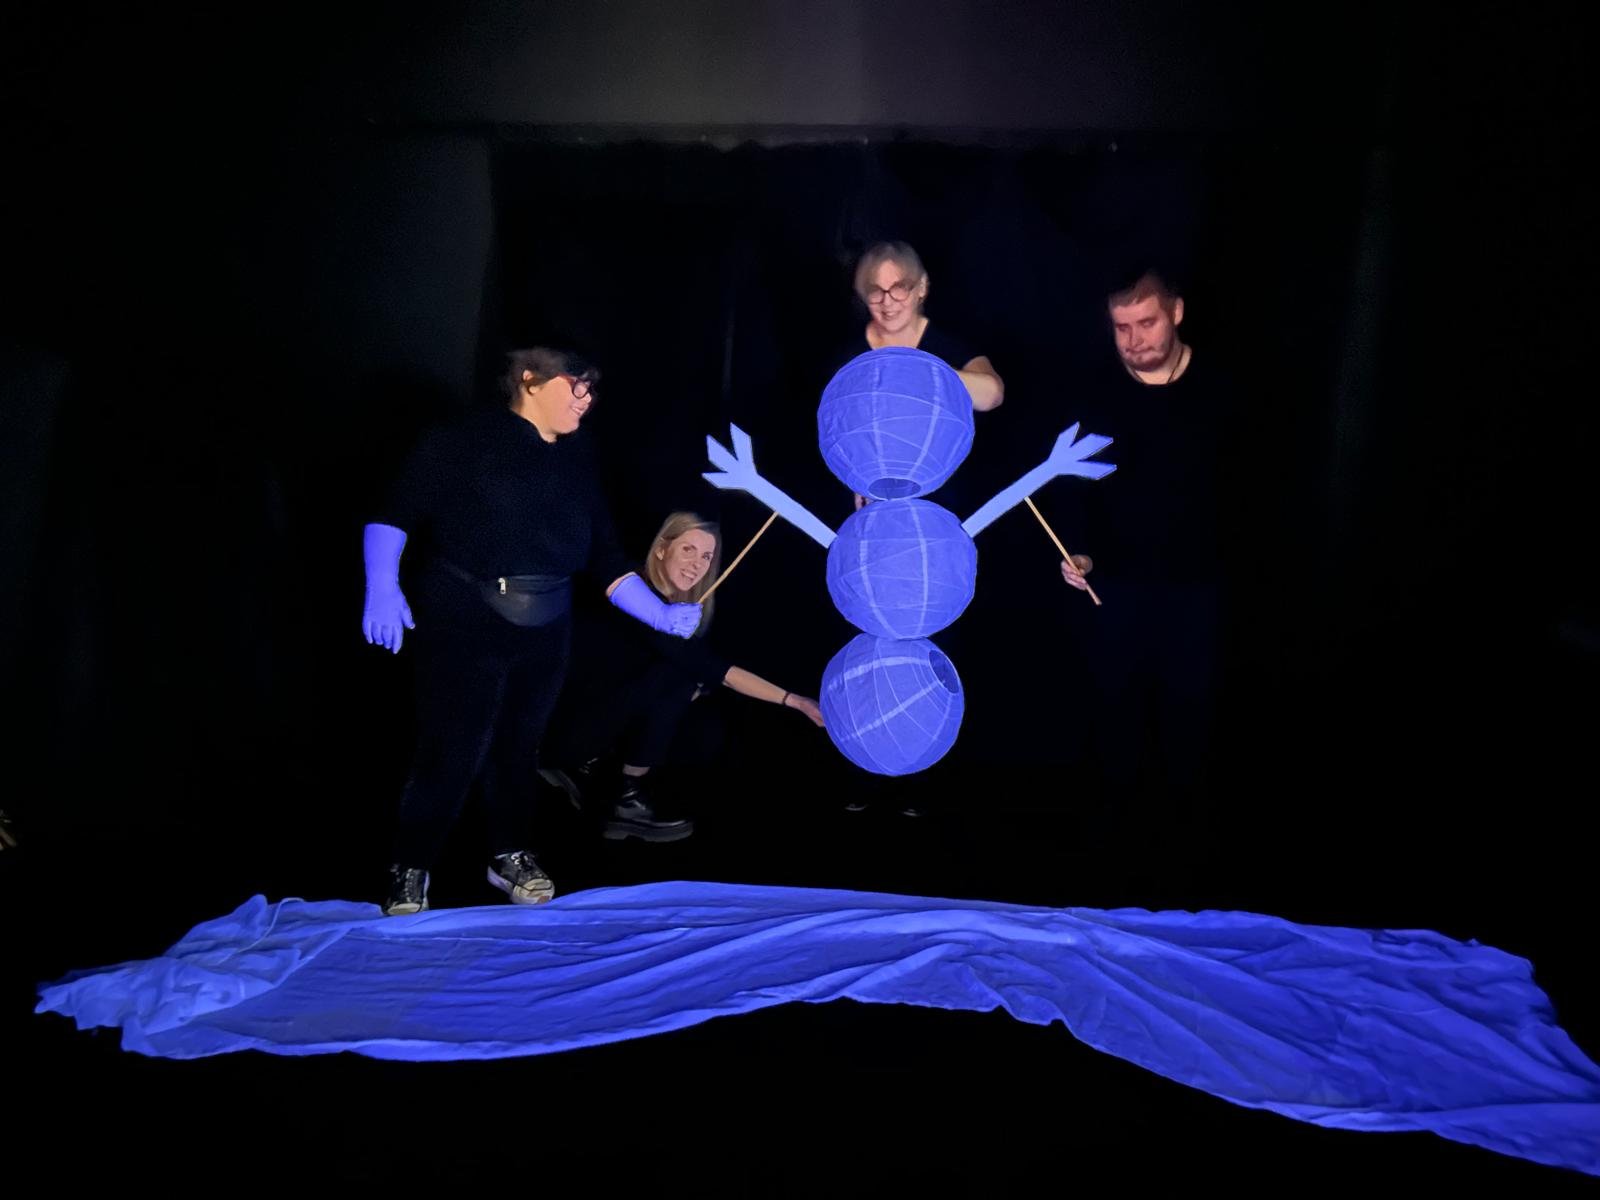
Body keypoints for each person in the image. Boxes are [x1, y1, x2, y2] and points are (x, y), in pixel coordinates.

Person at [361, 347, 702, 916]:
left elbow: (607, 557)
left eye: (592, 389)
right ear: (530, 379)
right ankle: (411, 864)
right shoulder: (462, 439)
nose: (586, 399)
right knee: (452, 748)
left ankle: (509, 855)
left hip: (547, 624)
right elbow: (395, 512)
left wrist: (661, 615)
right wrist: (381, 585)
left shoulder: (580, 455)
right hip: (466, 616)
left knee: (521, 749)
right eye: (576, 385)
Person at [1059, 270, 1230, 850]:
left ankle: (1185, 841)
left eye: (1147, 323)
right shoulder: (1096, 394)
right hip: (1117, 586)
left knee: (1190, 717)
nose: (1134, 340)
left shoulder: (1220, 389)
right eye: (1122, 328)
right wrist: (1079, 551)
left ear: (1176, 312)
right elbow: (1074, 489)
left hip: (1199, 588)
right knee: (1113, 713)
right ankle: (1112, 845)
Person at [541, 511, 824, 840]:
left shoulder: (677, 610)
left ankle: (615, 779)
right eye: (688, 549)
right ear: (662, 548)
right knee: (680, 677)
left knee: (698, 707)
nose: (697, 564)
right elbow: (718, 671)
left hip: (595, 723)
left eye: (706, 556)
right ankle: (619, 793)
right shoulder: (636, 596)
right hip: (559, 726)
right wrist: (795, 701)